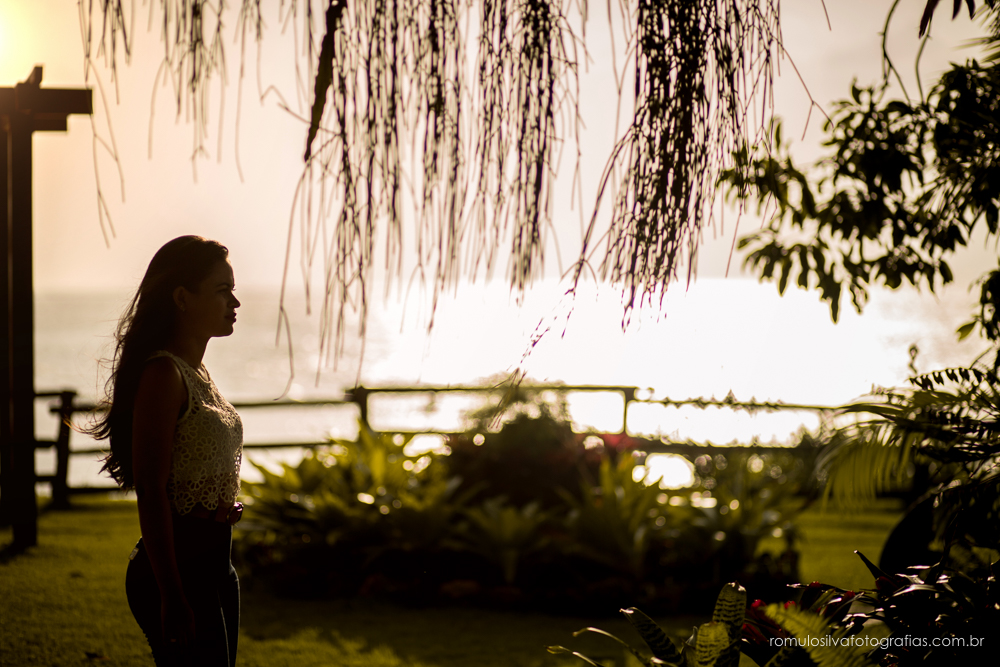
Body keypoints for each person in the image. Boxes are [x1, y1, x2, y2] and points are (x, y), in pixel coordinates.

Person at [88, 236, 244, 666]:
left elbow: (189, 468)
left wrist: (220, 502)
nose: (235, 300)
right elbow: (152, 491)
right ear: (182, 298)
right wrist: (172, 595)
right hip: (180, 569)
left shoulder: (198, 372)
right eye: (221, 289)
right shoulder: (163, 374)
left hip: (217, 563)